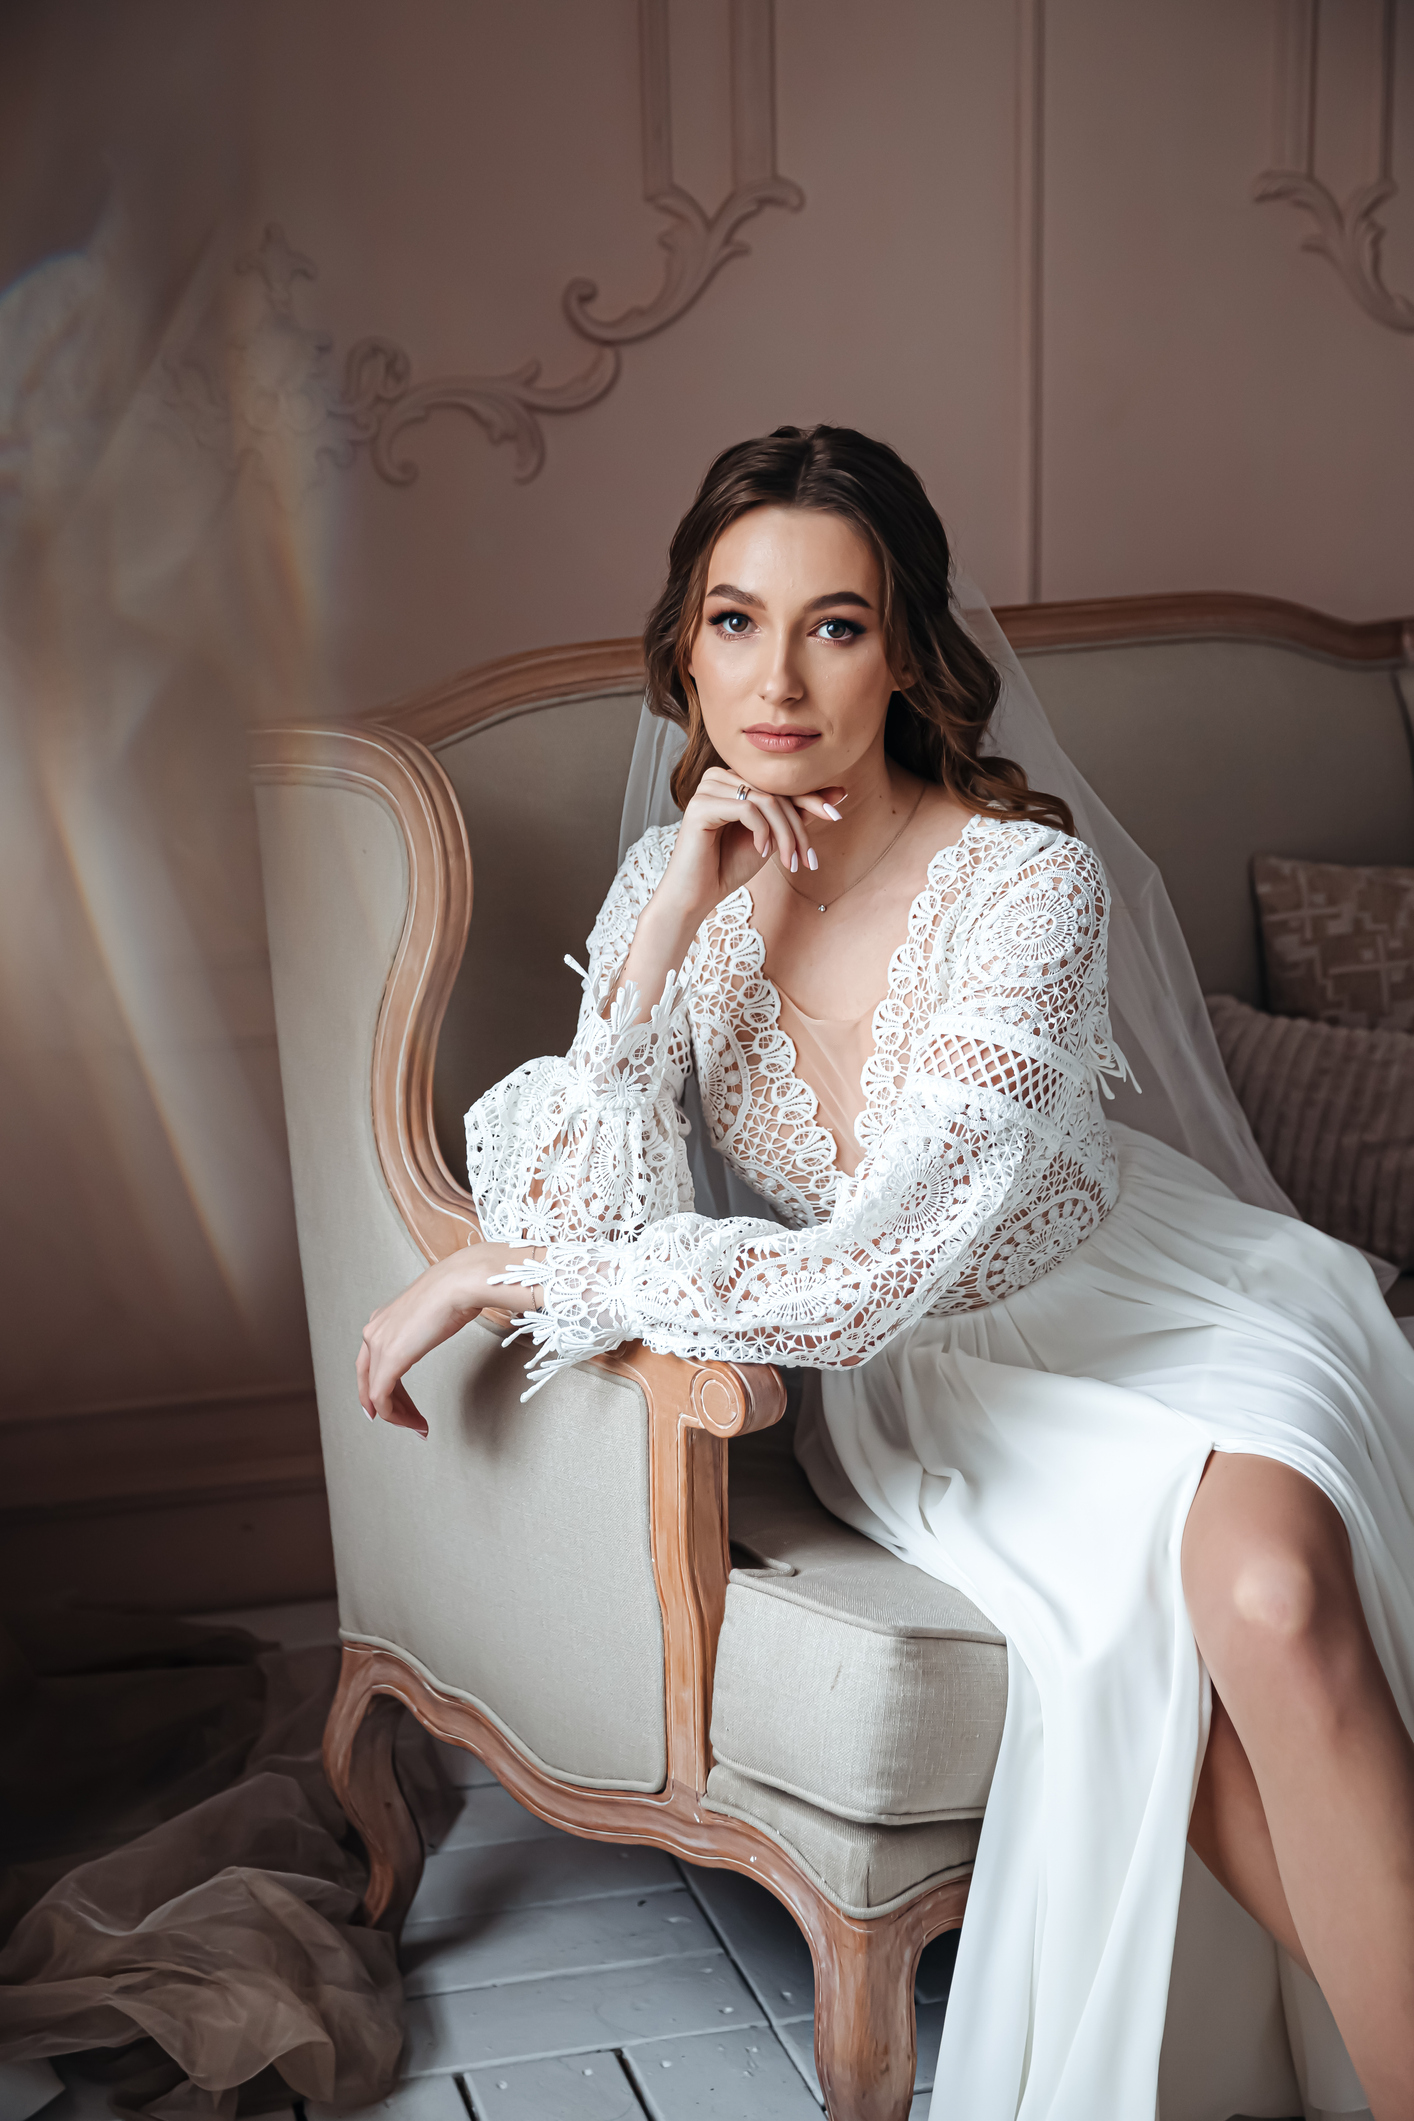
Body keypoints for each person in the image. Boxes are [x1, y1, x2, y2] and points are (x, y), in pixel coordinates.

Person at [356, 426, 1414, 2120]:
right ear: (684, 642)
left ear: (907, 647)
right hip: (953, 1402)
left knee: (1273, 1604)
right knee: (1186, 1687)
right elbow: (583, 1174)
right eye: (732, 620)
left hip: (1158, 1310)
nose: (775, 677)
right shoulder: (669, 882)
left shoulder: (1026, 881)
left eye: (834, 624)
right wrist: (663, 932)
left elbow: (861, 1278)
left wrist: (498, 1271)